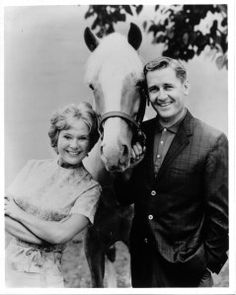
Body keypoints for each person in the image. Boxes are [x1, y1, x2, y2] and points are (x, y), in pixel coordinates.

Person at [114, 56, 228, 287]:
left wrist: (206, 263)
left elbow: (221, 216)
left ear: (185, 87)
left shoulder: (212, 141)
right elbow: (124, 198)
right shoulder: (139, 135)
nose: (161, 96)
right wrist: (127, 170)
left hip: (188, 270)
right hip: (143, 265)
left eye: (168, 86)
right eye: (153, 89)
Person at [4, 102, 101, 288]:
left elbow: (60, 235)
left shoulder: (90, 189)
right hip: (7, 264)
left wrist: (18, 213)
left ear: (91, 143)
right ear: (56, 138)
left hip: (42, 276)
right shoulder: (33, 167)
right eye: (67, 136)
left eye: (82, 138)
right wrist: (44, 237)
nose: (74, 145)